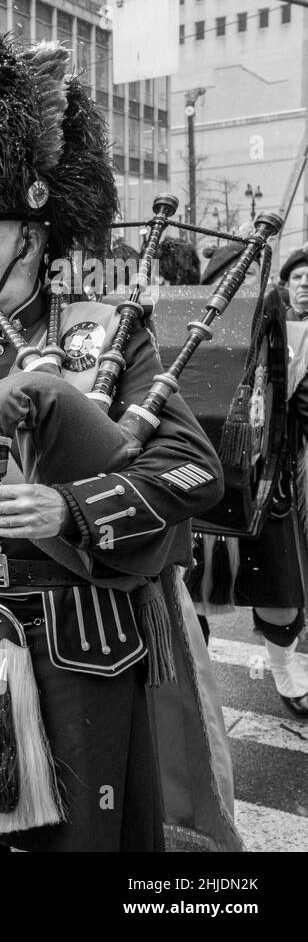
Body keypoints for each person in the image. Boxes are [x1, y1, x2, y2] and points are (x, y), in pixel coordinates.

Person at [0, 35, 239, 851]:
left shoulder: (109, 333)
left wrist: (69, 508)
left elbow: (193, 469)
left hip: (89, 642)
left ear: (33, 238)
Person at [186, 245, 308, 717]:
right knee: (188, 600)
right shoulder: (188, 332)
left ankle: (284, 669)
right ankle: (191, 683)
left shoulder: (287, 337)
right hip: (199, 489)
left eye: (251, 278)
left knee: (280, 599)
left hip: (266, 487)